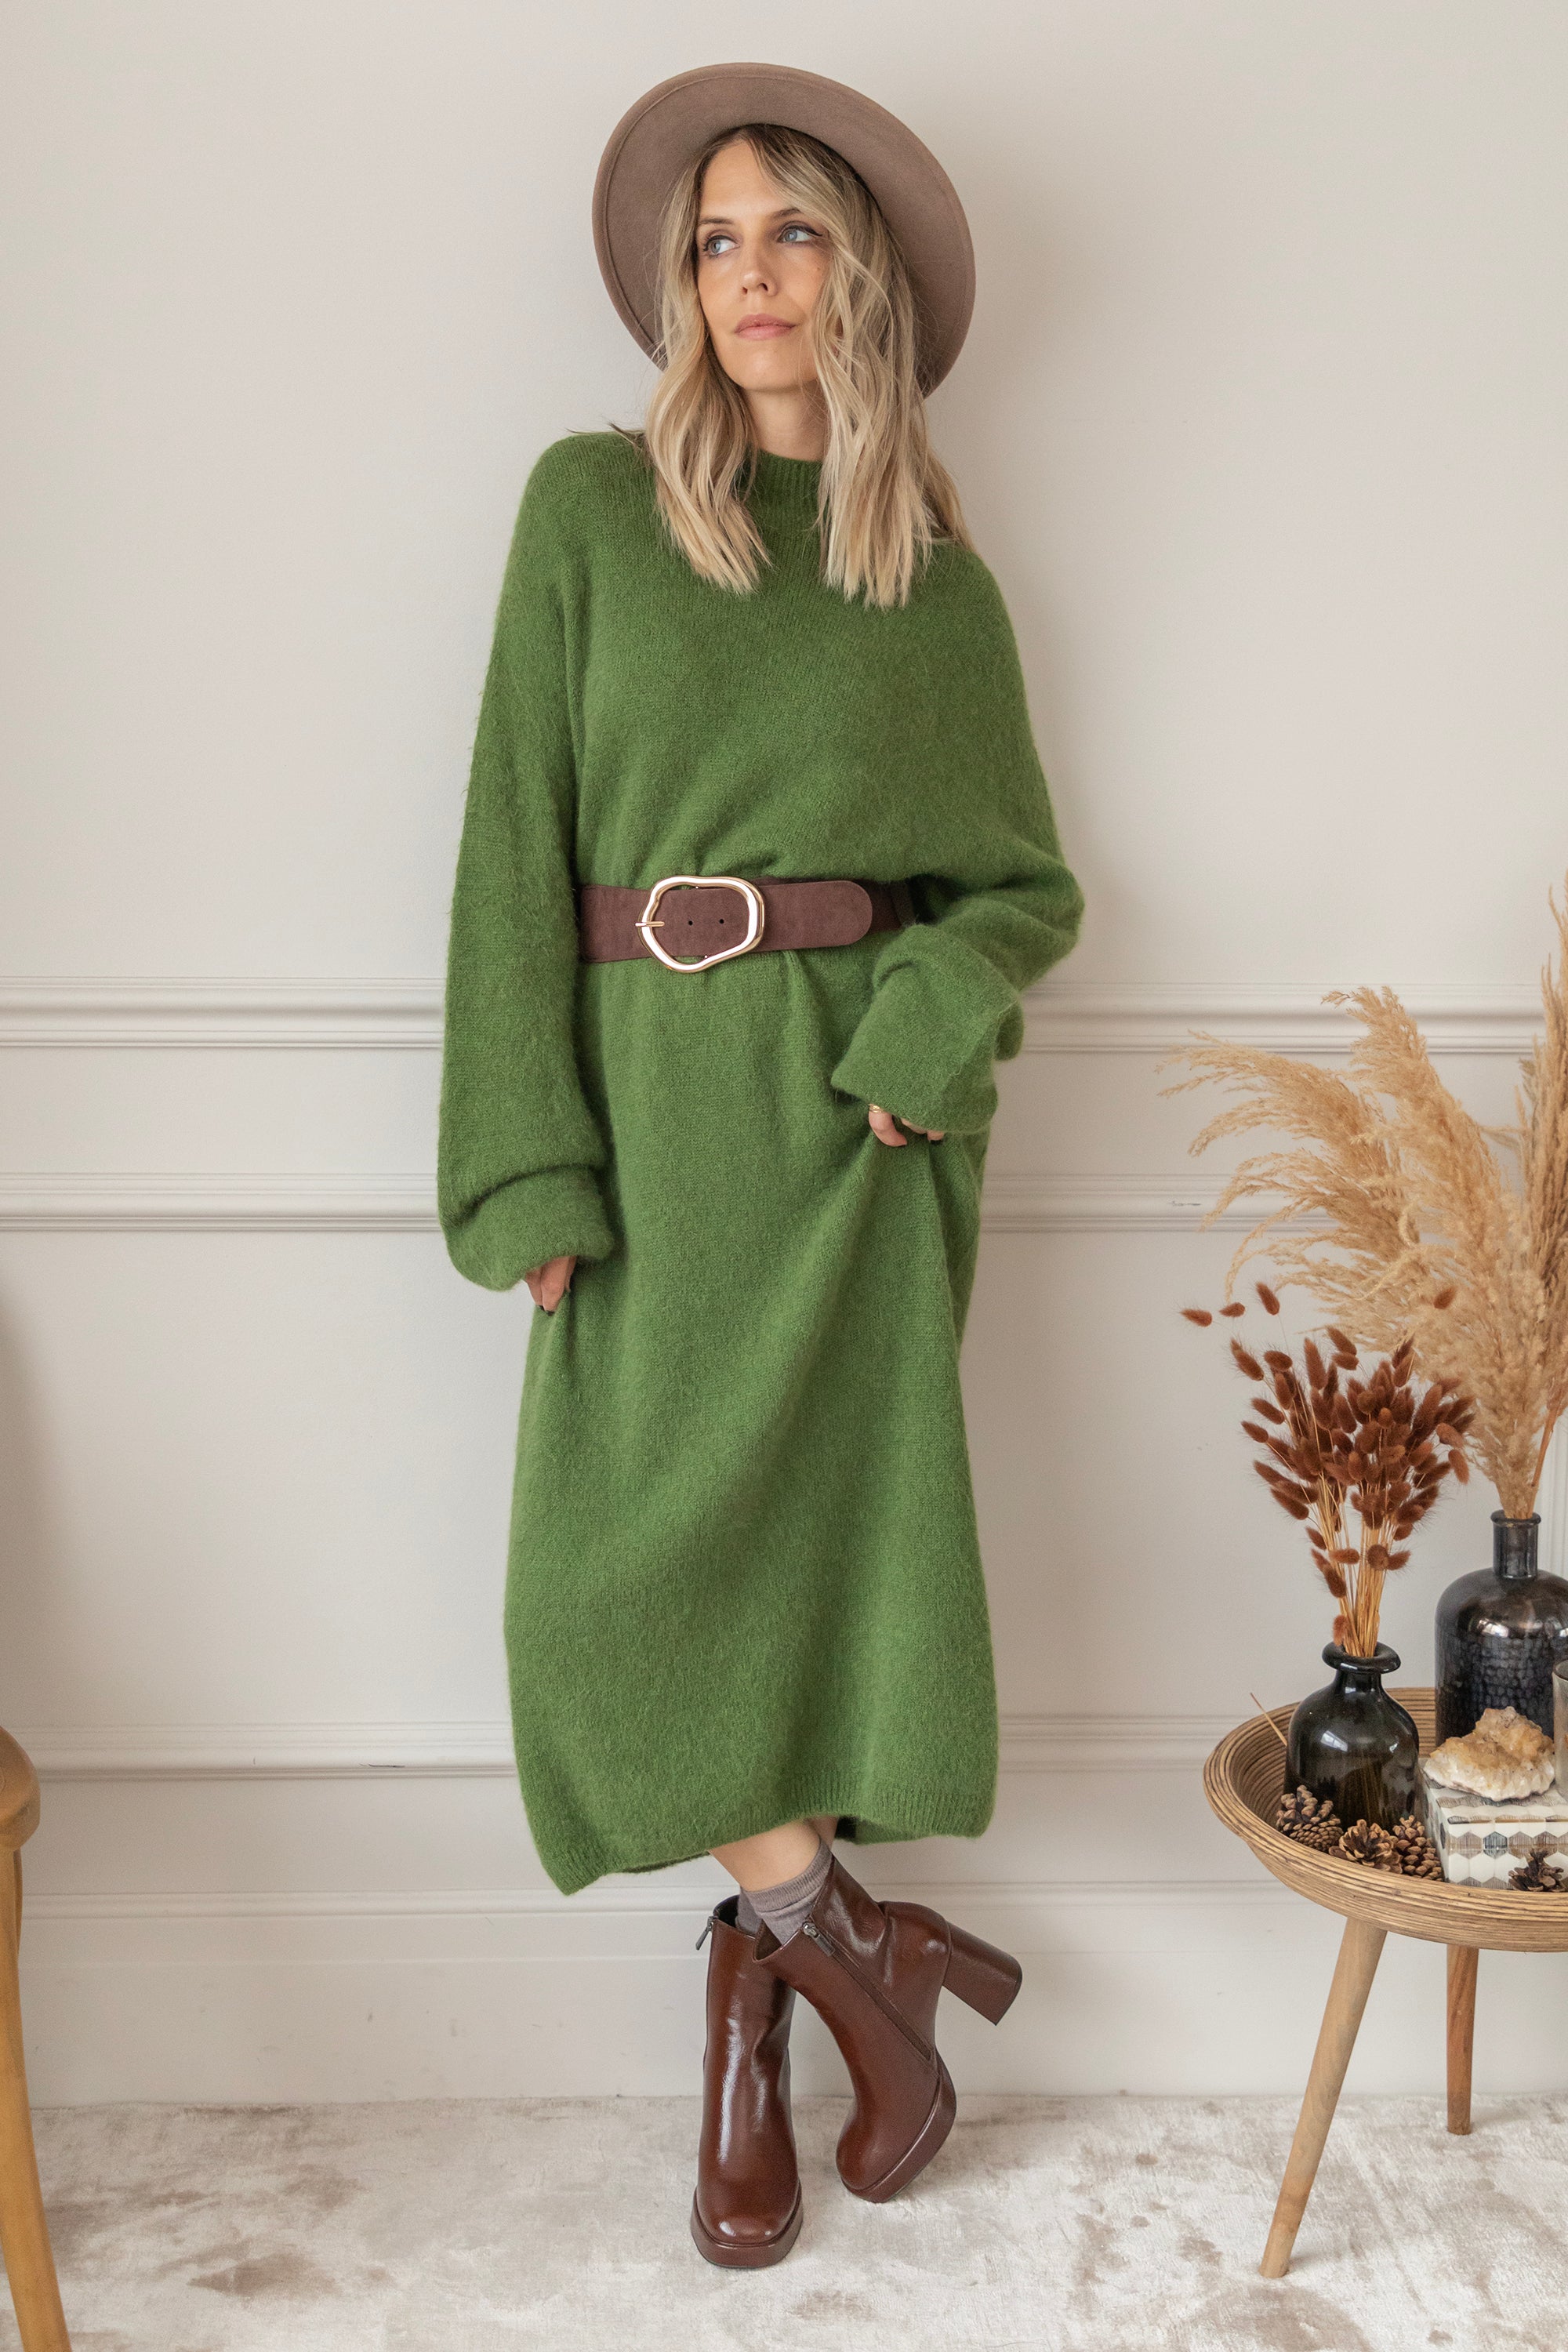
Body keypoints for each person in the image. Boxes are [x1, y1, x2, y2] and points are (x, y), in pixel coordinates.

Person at [437, 62, 1083, 2267]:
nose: (749, 277)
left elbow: (1018, 893)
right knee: (600, 1613)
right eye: (715, 241)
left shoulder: (937, 590)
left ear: (860, 271)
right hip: (645, 1116)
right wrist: (523, 1164)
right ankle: (854, 1952)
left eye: (789, 232)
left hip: (847, 1140)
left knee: (817, 1598)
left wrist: (920, 1037)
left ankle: (771, 1997)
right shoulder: (591, 511)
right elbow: (510, 844)